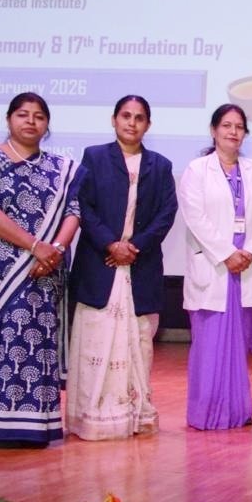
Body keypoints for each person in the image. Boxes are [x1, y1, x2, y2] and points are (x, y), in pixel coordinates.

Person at [0, 92, 81, 447]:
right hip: (1, 268)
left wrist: (55, 250)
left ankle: (39, 426)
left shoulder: (61, 167)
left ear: (47, 125)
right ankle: (3, 425)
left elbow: (74, 211)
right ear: (9, 119)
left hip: (47, 270)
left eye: (38, 116)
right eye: (22, 114)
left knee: (40, 342)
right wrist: (35, 246)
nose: (30, 121)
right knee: (6, 339)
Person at [68, 95, 178, 440]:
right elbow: (82, 205)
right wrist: (110, 244)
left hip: (140, 266)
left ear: (148, 124)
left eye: (139, 117)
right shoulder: (94, 157)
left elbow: (167, 213)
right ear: (114, 120)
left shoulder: (160, 166)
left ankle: (135, 415)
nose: (132, 123)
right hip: (99, 265)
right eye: (126, 116)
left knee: (139, 343)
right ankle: (94, 418)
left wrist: (134, 247)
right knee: (95, 343)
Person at [177, 104, 252, 430]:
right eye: (226, 125)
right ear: (214, 130)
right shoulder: (196, 170)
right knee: (208, 348)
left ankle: (236, 411)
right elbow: (195, 217)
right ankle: (206, 414)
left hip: (244, 266)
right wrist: (226, 253)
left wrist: (249, 251)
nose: (233, 132)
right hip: (214, 266)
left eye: (239, 127)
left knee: (237, 348)